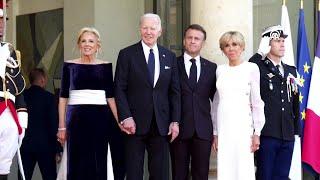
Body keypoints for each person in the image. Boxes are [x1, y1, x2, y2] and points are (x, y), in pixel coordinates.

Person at [114, 13, 181, 180]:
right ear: (139, 29)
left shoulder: (170, 56)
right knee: (134, 173)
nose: (149, 31)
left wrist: (175, 121)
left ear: (160, 31)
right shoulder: (127, 54)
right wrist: (126, 117)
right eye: (145, 28)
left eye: (153, 28)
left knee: (160, 174)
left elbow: (174, 92)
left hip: (161, 124)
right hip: (133, 125)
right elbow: (119, 88)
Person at [57, 27, 117, 180]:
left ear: (98, 45)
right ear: (79, 44)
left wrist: (120, 121)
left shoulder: (105, 66)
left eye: (91, 41)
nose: (87, 44)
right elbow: (63, 98)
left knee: (98, 160)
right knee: (76, 161)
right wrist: (62, 126)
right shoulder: (69, 66)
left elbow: (111, 98)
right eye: (83, 41)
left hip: (100, 120)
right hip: (76, 120)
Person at [211, 31, 265, 180]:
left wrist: (257, 133)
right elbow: (216, 103)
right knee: (225, 168)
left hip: (243, 127)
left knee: (243, 169)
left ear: (242, 47)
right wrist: (215, 132)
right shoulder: (220, 70)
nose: (231, 48)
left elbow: (257, 102)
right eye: (227, 45)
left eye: (235, 44)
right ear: (223, 50)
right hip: (224, 128)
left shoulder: (251, 68)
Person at [249, 25, 300, 180]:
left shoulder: (291, 70)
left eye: (283, 41)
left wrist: (296, 130)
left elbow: (294, 102)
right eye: (277, 40)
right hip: (267, 133)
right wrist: (260, 52)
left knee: (282, 176)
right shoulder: (258, 67)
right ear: (267, 44)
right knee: (265, 175)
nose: (282, 44)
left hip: (287, 133)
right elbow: (251, 65)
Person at [170, 24, 216, 180]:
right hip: (178, 129)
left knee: (201, 174)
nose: (193, 41)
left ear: (202, 43)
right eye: (189, 38)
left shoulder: (212, 68)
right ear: (184, 41)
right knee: (178, 174)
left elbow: (216, 99)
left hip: (203, 130)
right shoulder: (172, 64)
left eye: (197, 38)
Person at [0, 1, 28, 180]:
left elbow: (18, 88)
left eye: (3, 21)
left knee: (3, 164)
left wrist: (22, 119)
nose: (1, 25)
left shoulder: (9, 51)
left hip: (8, 111)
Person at [19, 68, 59, 180]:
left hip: (25, 145)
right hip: (46, 146)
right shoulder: (49, 98)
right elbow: (53, 124)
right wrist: (57, 148)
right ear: (42, 80)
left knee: (23, 177)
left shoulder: (22, 97)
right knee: (49, 177)